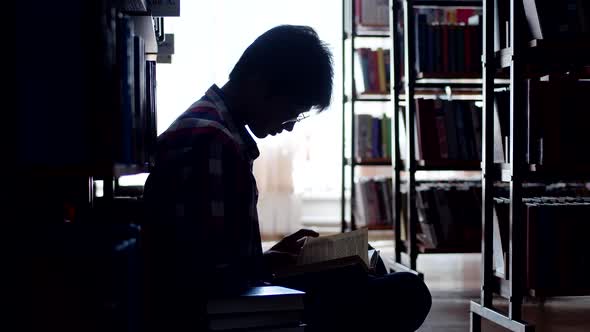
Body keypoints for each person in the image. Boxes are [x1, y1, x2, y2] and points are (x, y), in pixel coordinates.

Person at [142, 25, 431, 331]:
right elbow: (211, 278)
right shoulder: (213, 140)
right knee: (406, 291)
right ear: (261, 83)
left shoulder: (210, 125)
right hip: (221, 314)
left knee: (368, 276)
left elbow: (213, 257)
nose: (290, 126)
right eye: (293, 111)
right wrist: (271, 265)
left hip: (223, 299)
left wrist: (272, 258)